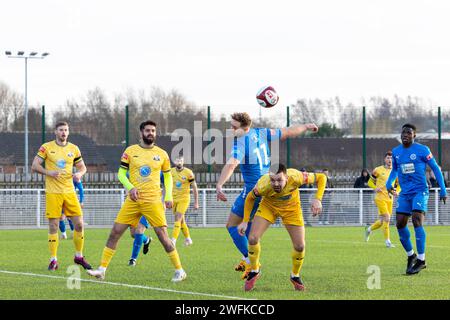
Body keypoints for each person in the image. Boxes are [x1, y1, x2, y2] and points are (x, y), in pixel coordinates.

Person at [216, 112, 318, 280]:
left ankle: (250, 261)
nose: (231, 129)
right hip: (268, 185)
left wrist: (220, 184)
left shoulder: (241, 143)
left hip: (254, 190)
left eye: (234, 127)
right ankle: (247, 257)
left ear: (245, 128)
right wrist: (306, 127)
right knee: (247, 227)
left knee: (232, 225)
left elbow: (231, 165)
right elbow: (287, 132)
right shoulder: (261, 132)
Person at [87, 120, 187, 282]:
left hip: (153, 201)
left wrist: (168, 196)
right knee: (115, 232)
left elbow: (168, 176)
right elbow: (120, 174)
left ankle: (179, 270)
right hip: (132, 200)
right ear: (141, 133)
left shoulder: (162, 154)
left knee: (163, 236)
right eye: (147, 130)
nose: (151, 133)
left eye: (153, 131)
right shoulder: (130, 151)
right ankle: (102, 270)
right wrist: (130, 187)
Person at [237, 164, 326, 291]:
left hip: (291, 209)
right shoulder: (263, 184)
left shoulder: (296, 177)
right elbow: (250, 198)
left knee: (300, 246)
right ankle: (255, 270)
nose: (276, 184)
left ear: (287, 177)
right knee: (252, 238)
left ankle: (295, 275)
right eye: (273, 180)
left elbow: (322, 177)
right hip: (269, 207)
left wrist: (318, 199)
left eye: (279, 180)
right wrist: (245, 221)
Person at [385, 123, 447, 275]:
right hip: (405, 193)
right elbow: (394, 171)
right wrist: (388, 183)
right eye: (403, 132)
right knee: (400, 223)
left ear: (414, 136)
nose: (405, 135)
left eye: (409, 133)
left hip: (420, 191)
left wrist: (443, 189)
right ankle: (410, 255)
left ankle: (421, 259)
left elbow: (436, 169)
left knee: (417, 219)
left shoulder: (422, 150)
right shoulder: (396, 152)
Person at [31, 121, 92, 271]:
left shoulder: (74, 149)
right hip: (53, 192)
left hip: (69, 192)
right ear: (55, 132)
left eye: (66, 130)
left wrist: (79, 173)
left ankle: (79, 256)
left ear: (68, 132)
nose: (63, 132)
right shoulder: (47, 147)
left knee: (79, 224)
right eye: (61, 130)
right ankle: (53, 260)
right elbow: (35, 165)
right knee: (54, 226)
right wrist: (48, 172)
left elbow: (83, 167)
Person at [365, 151, 397, 248]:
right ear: (384, 159)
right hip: (380, 198)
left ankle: (369, 229)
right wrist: (375, 188)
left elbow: (399, 185)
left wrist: (397, 191)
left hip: (390, 199)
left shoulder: (396, 171)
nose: (389, 160)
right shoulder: (378, 170)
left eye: (391, 158)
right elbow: (370, 182)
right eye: (388, 158)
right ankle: (388, 242)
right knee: (387, 218)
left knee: (383, 221)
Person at [170, 155, 199, 247]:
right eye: (177, 160)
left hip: (184, 199)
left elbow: (194, 187)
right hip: (173, 199)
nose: (179, 162)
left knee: (178, 217)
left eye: (181, 160)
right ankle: (188, 239)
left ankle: (173, 240)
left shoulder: (188, 172)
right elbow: (166, 185)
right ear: (174, 161)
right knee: (181, 221)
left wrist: (196, 202)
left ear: (183, 162)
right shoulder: (171, 172)